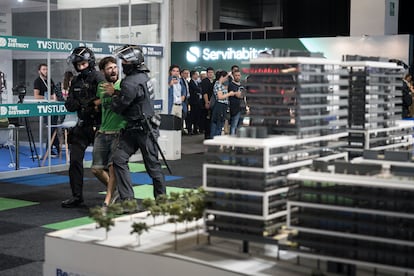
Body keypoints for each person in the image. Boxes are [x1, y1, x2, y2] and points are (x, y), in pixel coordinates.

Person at [108, 44, 166, 205]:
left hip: (143, 130)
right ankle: (128, 200)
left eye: (125, 61)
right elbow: (135, 99)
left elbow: (119, 107)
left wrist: (113, 97)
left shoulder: (130, 82)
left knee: (152, 168)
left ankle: (161, 201)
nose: (122, 64)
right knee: (119, 159)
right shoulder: (143, 77)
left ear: (132, 62)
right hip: (137, 128)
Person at [61, 46, 105, 208]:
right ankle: (76, 196)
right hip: (82, 125)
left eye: (83, 63)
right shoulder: (76, 81)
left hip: (99, 126)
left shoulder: (99, 78)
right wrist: (82, 103)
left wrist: (93, 104)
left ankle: (118, 193)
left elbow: (105, 101)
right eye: (78, 64)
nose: (80, 66)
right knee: (75, 161)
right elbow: (69, 104)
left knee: (104, 164)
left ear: (90, 61)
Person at [91, 56, 126, 208]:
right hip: (102, 131)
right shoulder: (101, 87)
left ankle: (108, 199)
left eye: (115, 67)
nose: (113, 70)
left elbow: (127, 99)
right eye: (109, 68)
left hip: (119, 131)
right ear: (103, 72)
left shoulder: (123, 85)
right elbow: (100, 102)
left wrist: (115, 92)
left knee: (112, 167)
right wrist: (93, 104)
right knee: (96, 169)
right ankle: (116, 190)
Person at [33, 63, 59, 156]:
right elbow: (36, 96)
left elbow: (53, 94)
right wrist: (46, 98)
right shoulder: (37, 81)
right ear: (39, 71)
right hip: (44, 106)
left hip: (53, 106)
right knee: (50, 127)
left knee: (54, 126)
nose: (46, 71)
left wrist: (53, 99)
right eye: (44, 69)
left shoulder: (50, 80)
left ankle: (55, 146)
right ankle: (51, 148)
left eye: (47, 69)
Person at [210, 70, 236, 137]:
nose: (226, 79)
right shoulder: (218, 84)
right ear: (222, 77)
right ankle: (215, 139)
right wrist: (229, 94)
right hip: (220, 106)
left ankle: (215, 138)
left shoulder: (221, 85)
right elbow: (220, 97)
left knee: (219, 123)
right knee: (218, 124)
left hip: (223, 106)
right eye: (226, 78)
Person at [228, 70, 244, 135]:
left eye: (239, 75)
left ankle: (238, 142)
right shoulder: (231, 85)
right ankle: (231, 143)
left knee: (240, 127)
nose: (237, 77)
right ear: (233, 76)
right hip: (235, 109)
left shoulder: (242, 85)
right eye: (236, 75)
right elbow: (239, 96)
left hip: (242, 108)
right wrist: (240, 94)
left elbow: (244, 95)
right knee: (233, 126)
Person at [200, 67, 215, 139]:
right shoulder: (205, 81)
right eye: (209, 72)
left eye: (212, 72)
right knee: (207, 119)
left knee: (211, 119)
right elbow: (204, 93)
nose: (210, 74)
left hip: (213, 102)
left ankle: (210, 133)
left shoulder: (213, 81)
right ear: (207, 73)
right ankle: (207, 135)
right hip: (207, 102)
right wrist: (207, 102)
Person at [188, 70, 203, 135]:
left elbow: (200, 89)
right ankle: (190, 129)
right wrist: (198, 91)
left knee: (197, 116)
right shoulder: (191, 82)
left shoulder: (198, 82)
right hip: (193, 102)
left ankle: (195, 129)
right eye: (197, 74)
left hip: (198, 102)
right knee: (192, 116)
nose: (198, 76)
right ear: (193, 75)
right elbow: (196, 89)